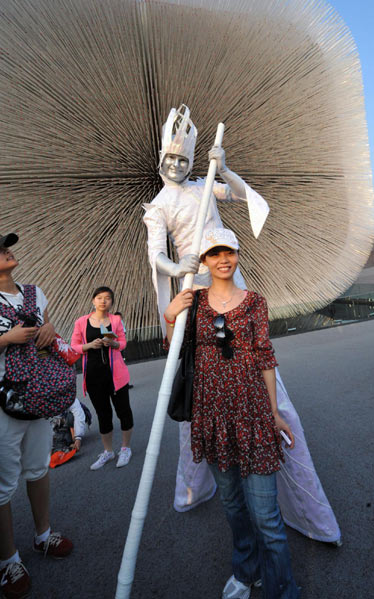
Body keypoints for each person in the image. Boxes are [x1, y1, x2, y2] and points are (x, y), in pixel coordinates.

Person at [143, 104, 341, 550]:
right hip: (193, 289)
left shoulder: (201, 185)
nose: (177, 166)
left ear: (190, 161)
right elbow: (156, 253)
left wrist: (224, 167)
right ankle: (201, 481)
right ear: (160, 161)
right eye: (170, 160)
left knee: (255, 364)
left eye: (183, 160)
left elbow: (236, 195)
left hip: (228, 281)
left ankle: (293, 497)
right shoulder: (158, 205)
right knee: (199, 377)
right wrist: (179, 264)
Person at [164, 228, 300, 599]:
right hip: (211, 413)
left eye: (230, 252)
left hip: (252, 411)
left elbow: (265, 357)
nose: (223, 259)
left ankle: (283, 590)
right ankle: (246, 569)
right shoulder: (194, 300)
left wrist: (274, 413)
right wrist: (170, 314)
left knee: (266, 517)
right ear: (205, 262)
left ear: (237, 256)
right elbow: (174, 349)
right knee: (233, 504)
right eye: (214, 253)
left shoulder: (255, 301)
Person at [0, 233, 73, 599]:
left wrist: (48, 329)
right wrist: (5, 339)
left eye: (6, 246)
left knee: (38, 467)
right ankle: (8, 559)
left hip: (38, 392)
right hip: (4, 399)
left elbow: (49, 329)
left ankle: (43, 534)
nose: (6, 251)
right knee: (2, 483)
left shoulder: (34, 291)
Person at [71, 287, 134, 469]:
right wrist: (90, 345)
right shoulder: (82, 322)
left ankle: (125, 448)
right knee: (103, 414)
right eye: (99, 297)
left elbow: (122, 342)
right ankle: (108, 451)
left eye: (107, 298)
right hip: (93, 375)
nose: (103, 301)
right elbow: (74, 346)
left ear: (111, 302)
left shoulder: (115, 320)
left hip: (116, 376)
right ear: (93, 300)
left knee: (124, 411)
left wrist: (114, 343)